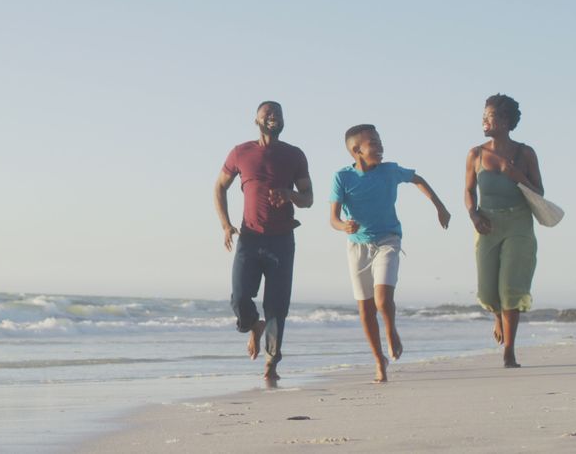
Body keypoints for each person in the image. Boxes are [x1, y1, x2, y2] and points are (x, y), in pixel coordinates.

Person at [330, 124, 450, 383]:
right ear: (356, 150)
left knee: (383, 300)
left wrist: (439, 206)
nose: (380, 147)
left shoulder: (390, 171)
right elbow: (333, 219)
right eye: (373, 143)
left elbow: (417, 179)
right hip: (357, 245)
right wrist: (344, 226)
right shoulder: (343, 178)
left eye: (380, 141)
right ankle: (379, 360)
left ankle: (391, 331)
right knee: (365, 309)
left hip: (388, 239)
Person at [215, 101, 313, 382]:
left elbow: (308, 198)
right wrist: (225, 225)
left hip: (282, 239)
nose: (274, 116)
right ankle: (252, 326)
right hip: (249, 237)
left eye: (279, 113)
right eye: (268, 112)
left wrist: (290, 194)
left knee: (277, 305)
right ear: (255, 119)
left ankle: (271, 362)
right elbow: (220, 186)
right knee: (240, 297)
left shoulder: (294, 155)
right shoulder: (240, 152)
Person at [464, 94, 543, 368]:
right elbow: (468, 190)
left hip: (519, 224)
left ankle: (509, 350)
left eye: (491, 115)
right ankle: (497, 315)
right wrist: (473, 215)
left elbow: (539, 193)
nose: (485, 120)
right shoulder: (475, 154)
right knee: (487, 292)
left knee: (511, 288)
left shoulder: (525, 153)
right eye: (484, 115)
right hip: (487, 225)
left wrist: (516, 175)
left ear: (507, 121)